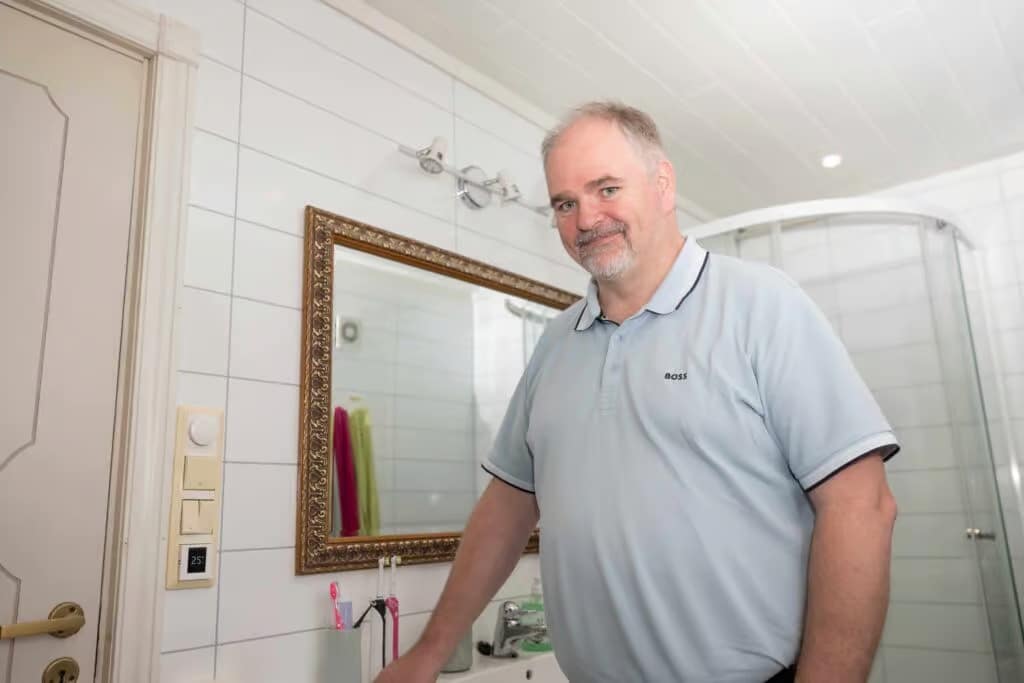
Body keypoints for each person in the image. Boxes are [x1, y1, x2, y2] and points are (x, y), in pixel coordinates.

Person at [375, 102, 899, 683]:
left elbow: (861, 506)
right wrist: (427, 653)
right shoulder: (554, 344)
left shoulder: (761, 305)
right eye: (565, 203)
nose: (585, 218)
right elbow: (506, 508)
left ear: (663, 183)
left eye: (605, 188)